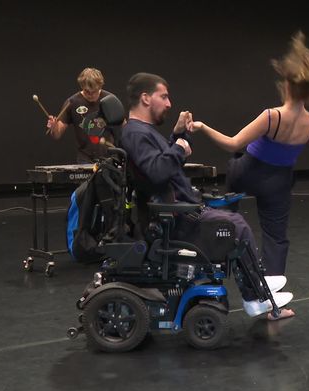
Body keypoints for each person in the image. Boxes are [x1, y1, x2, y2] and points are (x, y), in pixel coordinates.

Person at [189, 31, 309, 319]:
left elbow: (233, 143)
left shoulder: (272, 116)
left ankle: (205, 276)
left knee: (219, 224)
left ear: (286, 85)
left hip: (246, 173)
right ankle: (272, 306)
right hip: (277, 182)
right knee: (275, 239)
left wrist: (204, 127)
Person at [119, 72, 294, 318]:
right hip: (175, 219)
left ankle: (257, 287)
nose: (169, 104)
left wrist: (178, 136)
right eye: (164, 97)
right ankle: (255, 297)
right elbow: (157, 172)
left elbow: (160, 164)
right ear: (146, 98)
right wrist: (179, 149)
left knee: (235, 222)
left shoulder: (142, 131)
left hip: (180, 210)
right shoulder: (136, 134)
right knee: (236, 226)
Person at [46, 67, 117, 163]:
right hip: (85, 158)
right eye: (87, 91)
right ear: (81, 86)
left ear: (100, 86)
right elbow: (57, 134)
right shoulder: (71, 103)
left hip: (110, 157)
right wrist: (54, 128)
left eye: (94, 91)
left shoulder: (110, 100)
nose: (91, 95)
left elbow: (123, 128)